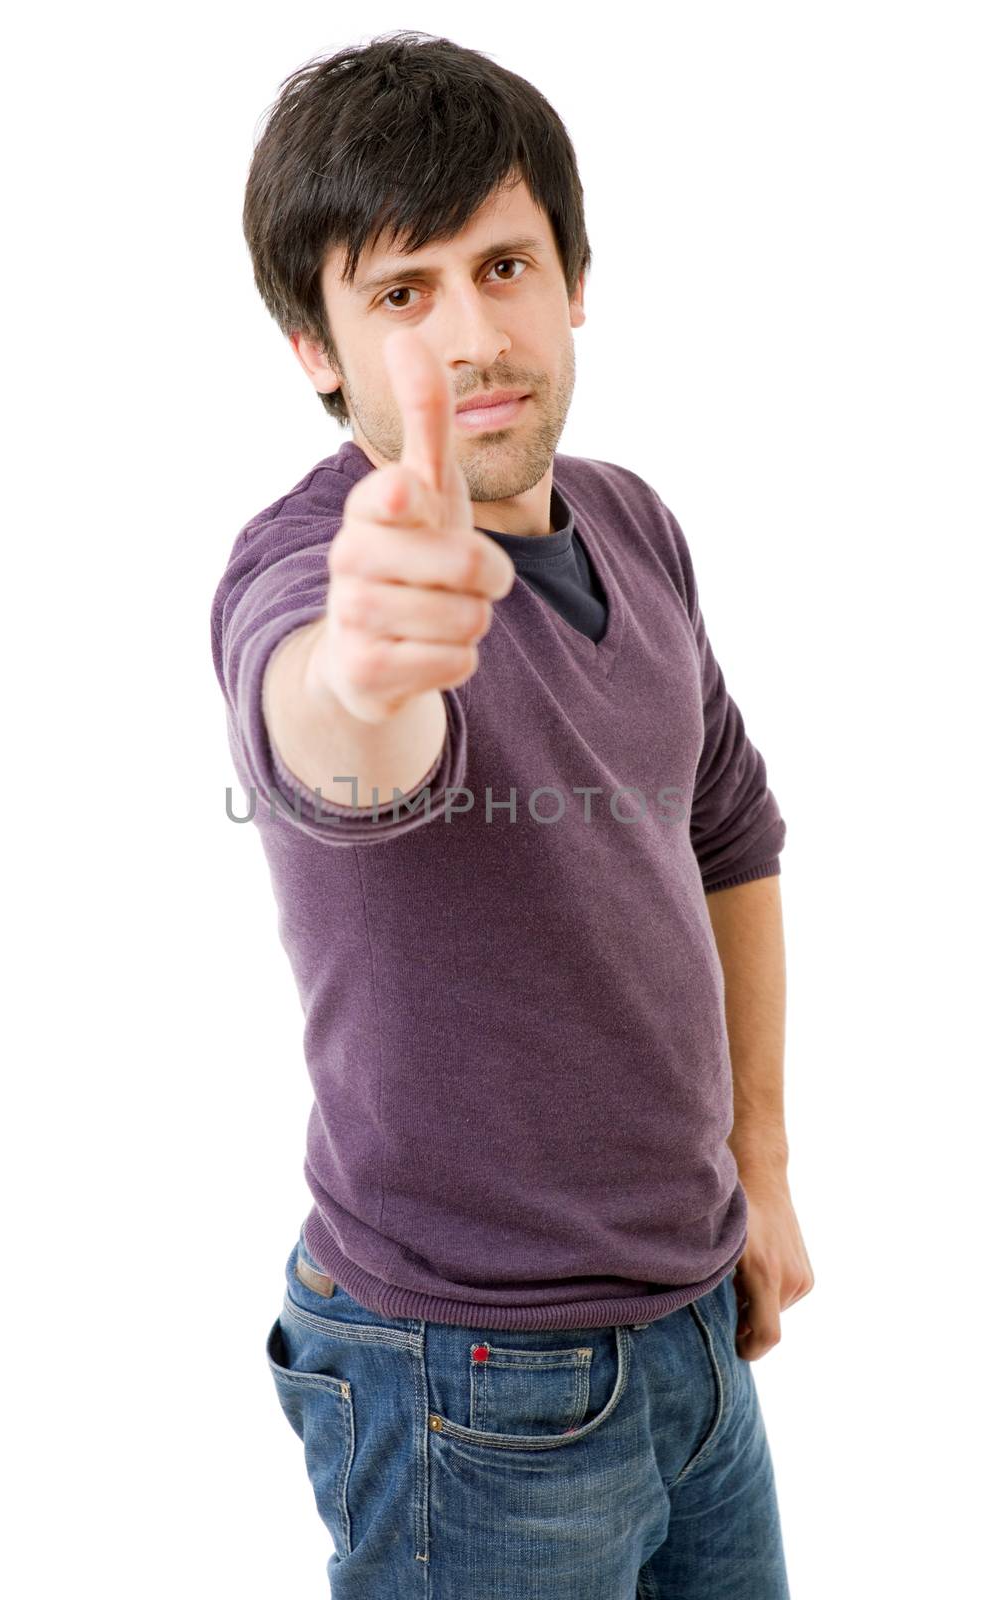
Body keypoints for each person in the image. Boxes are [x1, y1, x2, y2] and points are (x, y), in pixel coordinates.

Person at [210, 29, 813, 1599]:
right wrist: (362, 661)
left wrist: (760, 1159)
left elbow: (730, 831)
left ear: (574, 279)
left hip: (694, 1337)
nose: (471, 334)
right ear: (314, 349)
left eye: (504, 266)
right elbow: (333, 737)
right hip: (464, 1379)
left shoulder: (633, 518)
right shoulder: (311, 575)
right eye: (401, 294)